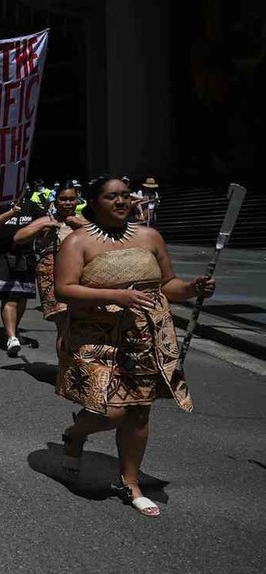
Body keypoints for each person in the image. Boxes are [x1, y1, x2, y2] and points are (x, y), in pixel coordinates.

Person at [54, 175, 215, 518]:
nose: (121, 201)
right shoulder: (77, 242)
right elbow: (64, 290)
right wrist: (116, 295)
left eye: (126, 195)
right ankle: (75, 434)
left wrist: (191, 289)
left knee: (139, 410)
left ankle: (130, 481)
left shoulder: (150, 236)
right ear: (94, 202)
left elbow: (167, 284)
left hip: (144, 336)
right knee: (109, 411)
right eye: (112, 197)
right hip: (94, 335)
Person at [14, 180, 88, 327]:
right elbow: (19, 237)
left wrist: (81, 226)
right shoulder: (47, 220)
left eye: (71, 199)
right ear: (56, 201)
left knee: (79, 324)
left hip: (81, 278)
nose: (67, 203)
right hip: (53, 279)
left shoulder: (85, 222)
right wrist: (44, 225)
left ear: (77, 200)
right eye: (63, 199)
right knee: (63, 323)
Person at [0, 195, 47, 356]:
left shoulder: (31, 206)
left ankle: (12, 331)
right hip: (1, 256)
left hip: (25, 256)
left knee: (22, 296)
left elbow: (44, 225)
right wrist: (10, 213)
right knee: (10, 297)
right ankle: (12, 337)